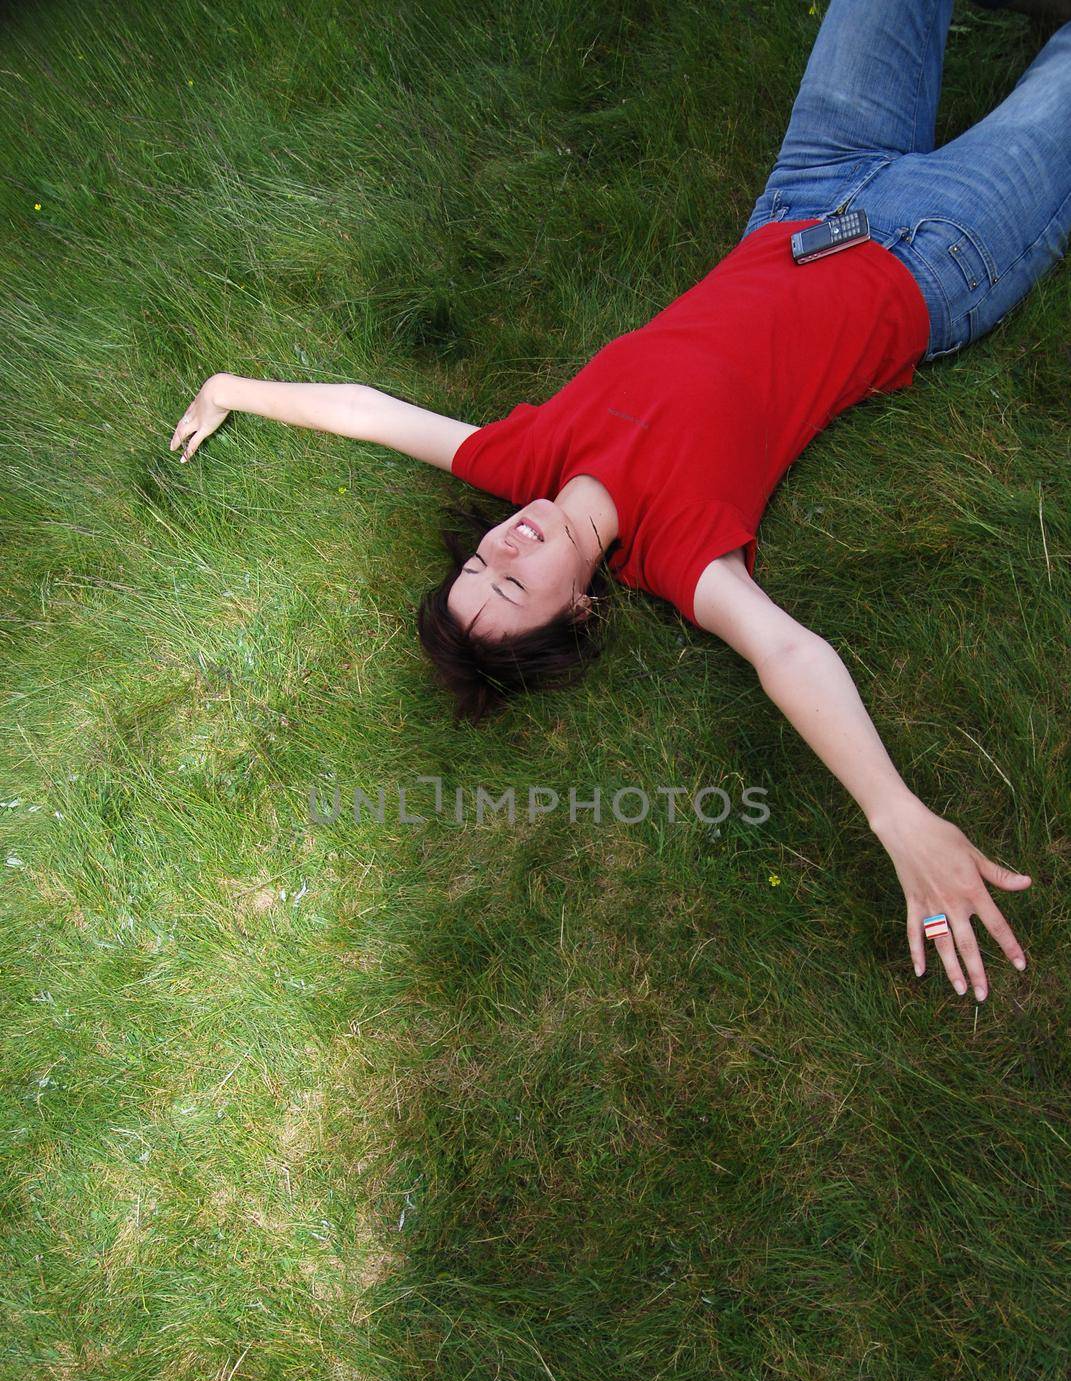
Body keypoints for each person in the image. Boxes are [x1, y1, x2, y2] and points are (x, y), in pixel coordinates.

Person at [169, 0, 1070, 1002]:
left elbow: (372, 413)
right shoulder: (679, 554)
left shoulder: (523, 460)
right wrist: (897, 815)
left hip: (808, 195)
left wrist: (232, 389)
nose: (505, 547)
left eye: (479, 564)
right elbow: (787, 655)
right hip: (934, 258)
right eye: (513, 587)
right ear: (580, 608)